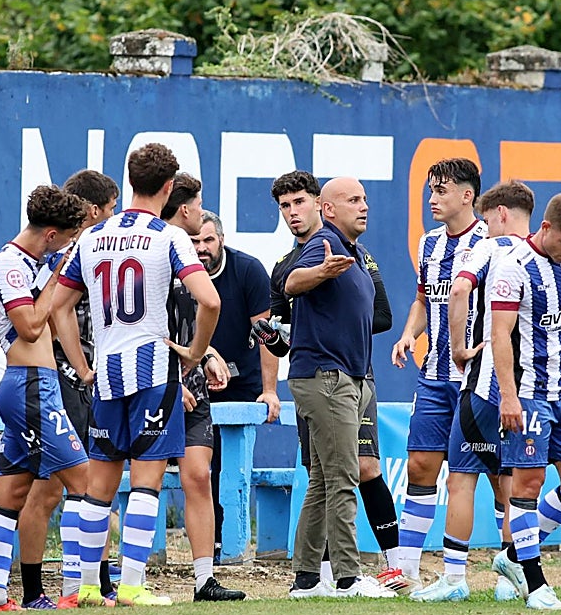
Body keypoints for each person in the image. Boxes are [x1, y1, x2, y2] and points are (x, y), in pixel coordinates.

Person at [57, 142, 220, 607]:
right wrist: (195, 353)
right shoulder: (169, 237)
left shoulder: (92, 237)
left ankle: (89, 587)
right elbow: (210, 301)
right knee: (146, 483)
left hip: (107, 373)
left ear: (130, 181)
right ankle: (131, 585)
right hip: (152, 370)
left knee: (99, 487)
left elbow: (58, 308)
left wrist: (83, 367)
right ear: (169, 187)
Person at [257, 170, 400, 591]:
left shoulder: (353, 252)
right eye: (354, 200)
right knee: (342, 478)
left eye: (364, 199)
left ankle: (306, 579)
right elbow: (292, 282)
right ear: (330, 208)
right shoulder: (324, 245)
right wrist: (319, 272)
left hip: (348, 376)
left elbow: (382, 316)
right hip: (326, 377)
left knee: (323, 480)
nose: (364, 206)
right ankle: (348, 577)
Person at [413, 180, 534, 602]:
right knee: (512, 484)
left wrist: (459, 348)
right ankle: (510, 577)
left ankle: (453, 579)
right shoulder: (543, 255)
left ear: (500, 214)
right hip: (527, 388)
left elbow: (460, 288)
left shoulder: (488, 248)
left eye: (487, 217)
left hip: (484, 384)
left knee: (461, 480)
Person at [0, 185, 89, 612]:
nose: (65, 248)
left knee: (12, 491)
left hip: (35, 385)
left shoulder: (32, 264)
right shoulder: (8, 264)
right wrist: (58, 274)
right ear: (50, 234)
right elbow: (28, 326)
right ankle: (76, 589)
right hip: (28, 386)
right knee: (85, 482)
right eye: (66, 239)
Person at [489, 192, 561, 611]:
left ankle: (515, 554)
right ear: (545, 228)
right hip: (529, 394)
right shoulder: (513, 267)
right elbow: (500, 335)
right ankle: (535, 585)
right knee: (527, 485)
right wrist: (508, 396)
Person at [389, 159, 489, 590]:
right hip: (433, 375)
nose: (432, 199)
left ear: (467, 195)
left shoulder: (491, 242)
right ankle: (407, 571)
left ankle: (505, 571)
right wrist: (408, 334)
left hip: (477, 381)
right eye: (431, 190)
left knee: (492, 477)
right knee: (419, 465)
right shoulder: (428, 244)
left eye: (441, 191)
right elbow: (423, 300)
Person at [160, 173, 245, 600]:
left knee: (197, 476)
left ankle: (203, 580)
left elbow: (188, 321)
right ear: (184, 208)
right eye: (197, 203)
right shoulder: (158, 246)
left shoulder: (183, 252)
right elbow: (139, 327)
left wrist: (205, 353)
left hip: (189, 378)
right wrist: (173, 381)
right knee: (142, 478)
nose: (200, 211)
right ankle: (119, 580)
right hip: (154, 381)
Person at [194, 210, 280, 561]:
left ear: (222, 240)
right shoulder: (180, 272)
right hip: (192, 376)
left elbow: (267, 334)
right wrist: (202, 361)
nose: (201, 248)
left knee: (225, 465)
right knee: (196, 462)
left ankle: (224, 544)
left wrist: (270, 389)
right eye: (194, 241)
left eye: (208, 240)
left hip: (243, 380)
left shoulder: (248, 270)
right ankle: (206, 542)